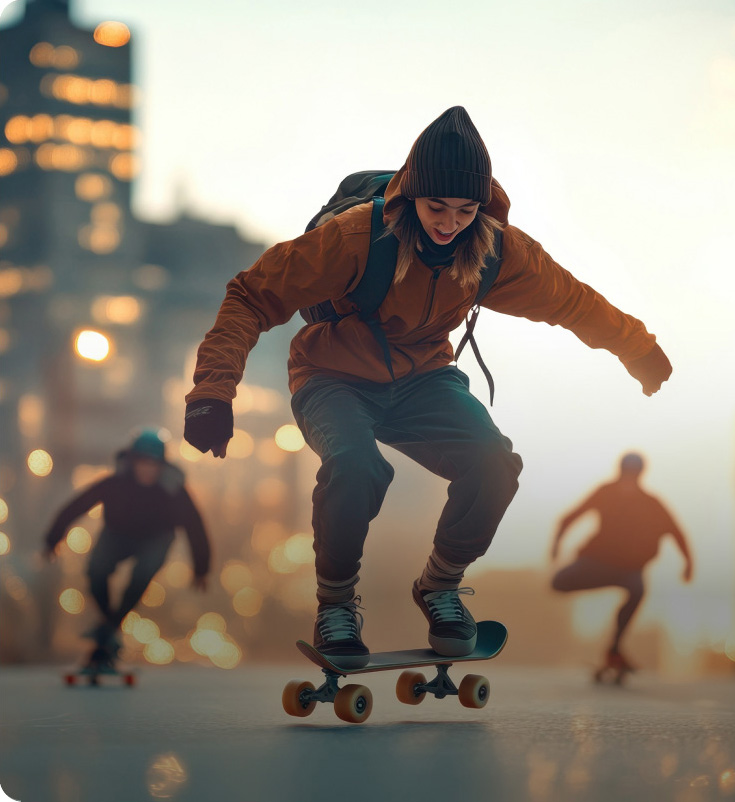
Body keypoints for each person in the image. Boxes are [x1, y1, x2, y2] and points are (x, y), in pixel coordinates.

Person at [183, 106, 672, 669]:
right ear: (409, 196)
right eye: (436, 207)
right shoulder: (353, 238)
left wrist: (636, 346)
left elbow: (571, 300)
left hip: (424, 380)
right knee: (357, 465)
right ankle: (336, 607)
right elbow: (251, 295)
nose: (449, 223)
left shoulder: (496, 250)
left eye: (465, 210)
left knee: (494, 463)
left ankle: (440, 587)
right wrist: (213, 393)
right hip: (333, 377)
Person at [43, 429, 211, 668]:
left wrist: (201, 566)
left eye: (152, 464)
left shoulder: (173, 491)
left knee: (142, 573)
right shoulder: (115, 484)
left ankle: (108, 629)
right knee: (96, 571)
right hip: (117, 535)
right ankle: (109, 627)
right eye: (142, 462)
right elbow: (79, 504)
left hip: (157, 538)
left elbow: (195, 526)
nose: (147, 469)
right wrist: (53, 538)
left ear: (161, 466)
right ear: (132, 462)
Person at [551, 452, 692, 674]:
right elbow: (568, 518)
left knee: (637, 589)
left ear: (639, 475)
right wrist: (555, 546)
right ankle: (613, 649)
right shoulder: (606, 493)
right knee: (558, 583)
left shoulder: (650, 503)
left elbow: (676, 532)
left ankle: (614, 650)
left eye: (632, 476)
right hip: (595, 563)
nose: (628, 481)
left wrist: (688, 562)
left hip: (626, 570)